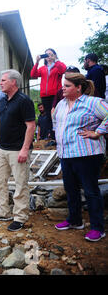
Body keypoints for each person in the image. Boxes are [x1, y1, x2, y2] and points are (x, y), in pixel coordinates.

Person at [53, 72, 108, 242]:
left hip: (87, 154)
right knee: (71, 190)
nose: (63, 88)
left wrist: (98, 132)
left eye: (67, 85)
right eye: (63, 85)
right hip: (66, 154)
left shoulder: (93, 102)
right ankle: (75, 220)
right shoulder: (61, 104)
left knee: (91, 191)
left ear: (78, 88)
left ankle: (98, 228)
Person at [0, 69, 36, 232]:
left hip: (18, 150)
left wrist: (24, 149)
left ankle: (20, 216)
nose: (0, 83)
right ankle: (3, 211)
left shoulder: (24, 101)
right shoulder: (2, 100)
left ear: (13, 82)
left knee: (21, 184)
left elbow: (31, 126)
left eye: (3, 80)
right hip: (1, 149)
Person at [30, 48, 67, 139]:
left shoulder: (57, 66)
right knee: (48, 117)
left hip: (55, 94)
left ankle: (60, 135)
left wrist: (56, 60)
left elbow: (63, 70)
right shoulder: (43, 68)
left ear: (54, 55)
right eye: (46, 55)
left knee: (57, 115)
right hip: (45, 95)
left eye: (51, 54)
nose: (49, 56)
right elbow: (33, 75)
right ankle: (52, 136)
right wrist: (37, 62)